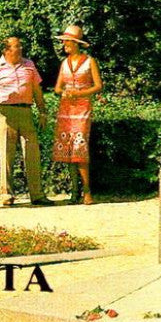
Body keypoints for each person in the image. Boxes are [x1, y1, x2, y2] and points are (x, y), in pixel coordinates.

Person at [0, 35, 50, 206]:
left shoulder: (29, 65)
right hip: (4, 112)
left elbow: (37, 90)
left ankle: (37, 195)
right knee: (6, 154)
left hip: (26, 111)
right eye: (16, 46)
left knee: (32, 153)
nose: (20, 48)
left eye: (20, 45)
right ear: (6, 50)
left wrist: (43, 112)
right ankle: (6, 194)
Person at [52, 24, 102, 205]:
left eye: (68, 41)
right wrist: (63, 92)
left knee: (80, 149)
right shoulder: (64, 63)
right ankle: (74, 191)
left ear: (76, 43)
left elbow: (98, 86)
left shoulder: (89, 62)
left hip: (82, 109)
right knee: (68, 150)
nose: (65, 44)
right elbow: (57, 87)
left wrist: (79, 93)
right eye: (64, 41)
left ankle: (87, 191)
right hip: (66, 110)